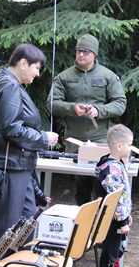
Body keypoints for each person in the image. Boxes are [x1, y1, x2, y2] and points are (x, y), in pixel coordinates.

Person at [0, 43, 58, 267]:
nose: (37, 74)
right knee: (7, 225)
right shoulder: (9, 85)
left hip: (20, 164)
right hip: (9, 165)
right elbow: (11, 129)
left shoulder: (11, 83)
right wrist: (43, 138)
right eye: (36, 68)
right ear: (23, 63)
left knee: (27, 217)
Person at [50, 33, 126, 204]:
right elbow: (52, 104)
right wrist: (72, 108)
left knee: (104, 185)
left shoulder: (108, 76)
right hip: (76, 141)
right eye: (78, 51)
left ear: (94, 54)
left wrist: (99, 111)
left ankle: (103, 218)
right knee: (81, 186)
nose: (81, 54)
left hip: (102, 141)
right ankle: (84, 216)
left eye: (85, 51)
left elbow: (120, 104)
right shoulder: (64, 77)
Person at [94, 124, 135, 267]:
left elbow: (123, 196)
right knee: (111, 249)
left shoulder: (117, 164)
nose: (131, 148)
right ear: (119, 146)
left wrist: (127, 214)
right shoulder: (110, 169)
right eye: (129, 144)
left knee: (119, 248)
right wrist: (122, 221)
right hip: (112, 219)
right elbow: (116, 198)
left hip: (119, 217)